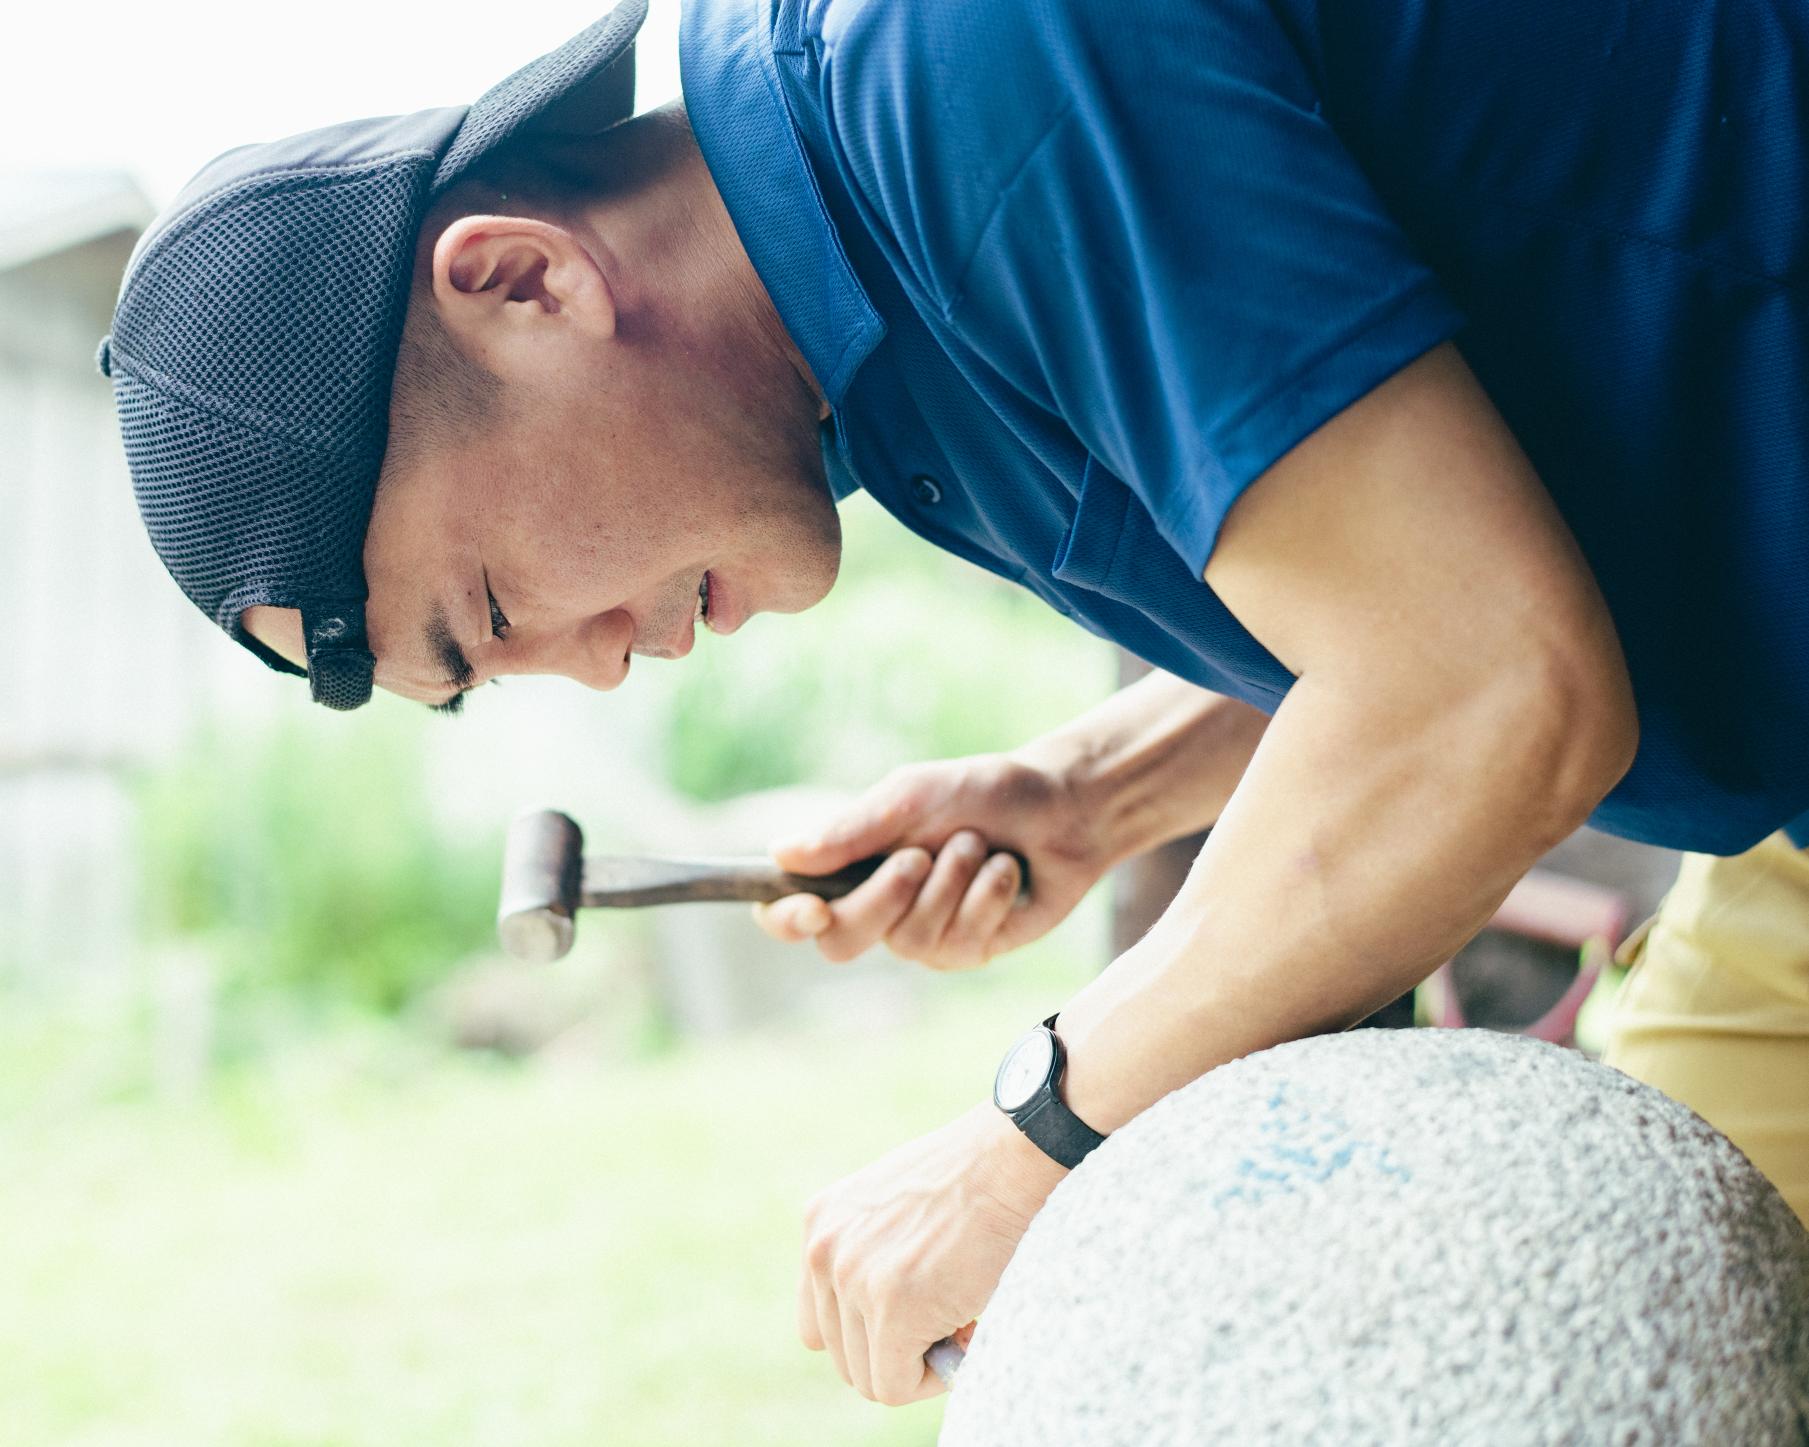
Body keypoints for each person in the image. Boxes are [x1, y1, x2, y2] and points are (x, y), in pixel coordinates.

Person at [101, 0, 1809, 1408]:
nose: (597, 661)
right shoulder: (876, 385)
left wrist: (1034, 1135)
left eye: (491, 611)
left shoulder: (964, 64)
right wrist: (1088, 789)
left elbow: (1489, 684)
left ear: (526, 284)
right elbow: (1440, 567)